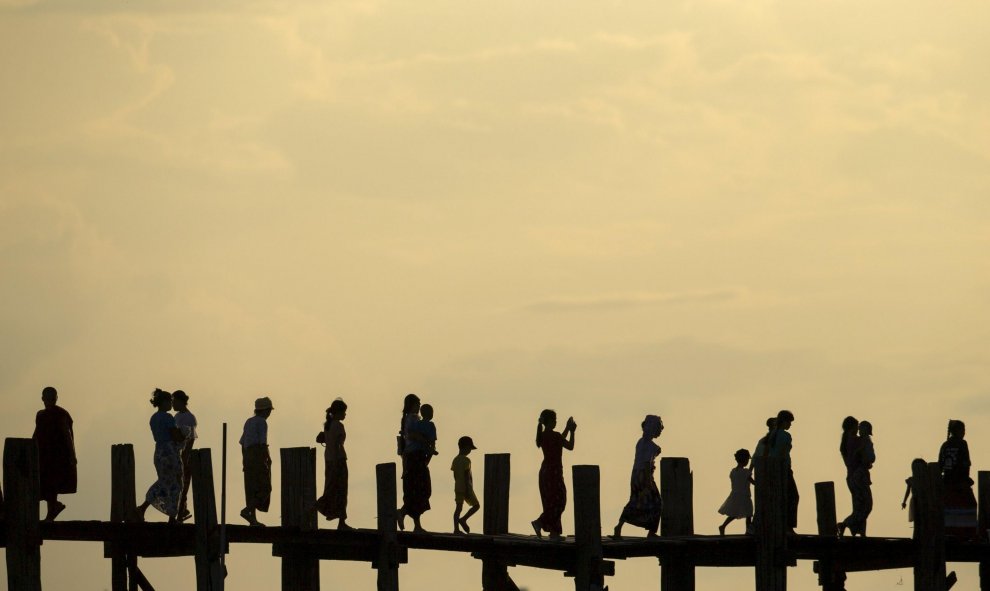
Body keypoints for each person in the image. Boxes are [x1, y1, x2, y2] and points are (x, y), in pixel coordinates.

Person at [136, 389, 184, 523]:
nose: (171, 404)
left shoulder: (153, 418)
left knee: (164, 481)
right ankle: (171, 517)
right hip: (169, 452)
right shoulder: (167, 417)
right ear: (163, 402)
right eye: (169, 401)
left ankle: (145, 508)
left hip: (159, 451)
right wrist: (183, 435)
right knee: (175, 483)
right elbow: (175, 436)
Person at [612, 414, 663, 538]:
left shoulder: (640, 442)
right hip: (644, 476)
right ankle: (652, 531)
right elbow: (647, 463)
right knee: (657, 502)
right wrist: (648, 482)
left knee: (635, 500)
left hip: (635, 475)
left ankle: (619, 526)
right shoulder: (651, 446)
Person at [33, 386, 77, 521]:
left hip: (57, 456)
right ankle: (53, 508)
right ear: (42, 399)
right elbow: (36, 434)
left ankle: (53, 509)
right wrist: (28, 449)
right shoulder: (41, 415)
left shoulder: (61, 414)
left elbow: (67, 435)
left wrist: (72, 455)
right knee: (44, 483)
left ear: (56, 398)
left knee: (52, 483)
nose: (50, 401)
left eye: (52, 398)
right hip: (44, 455)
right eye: (48, 398)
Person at [531, 409, 576, 540]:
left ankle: (554, 533)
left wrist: (567, 428)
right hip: (554, 472)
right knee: (560, 501)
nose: (556, 422)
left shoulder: (543, 436)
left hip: (545, 472)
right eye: (555, 420)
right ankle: (539, 522)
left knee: (550, 501)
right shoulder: (555, 436)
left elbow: (559, 441)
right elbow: (570, 446)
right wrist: (572, 431)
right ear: (550, 421)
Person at [316, 398, 351, 530]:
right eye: (344, 412)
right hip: (338, 460)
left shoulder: (328, 425)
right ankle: (340, 521)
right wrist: (337, 462)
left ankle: (337, 517)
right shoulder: (338, 425)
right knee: (341, 491)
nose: (345, 415)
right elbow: (337, 444)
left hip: (329, 461)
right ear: (338, 412)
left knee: (331, 488)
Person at [397, 394, 431, 531]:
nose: (419, 407)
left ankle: (416, 523)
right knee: (421, 489)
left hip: (411, 458)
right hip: (416, 457)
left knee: (414, 489)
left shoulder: (406, 418)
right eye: (418, 404)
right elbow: (411, 434)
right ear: (412, 405)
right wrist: (425, 440)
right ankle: (404, 512)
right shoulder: (413, 418)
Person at [239, 396, 274, 527]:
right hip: (257, 456)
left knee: (251, 489)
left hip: (247, 456)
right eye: (269, 410)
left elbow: (242, 443)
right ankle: (247, 510)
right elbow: (262, 444)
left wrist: (244, 461)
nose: (269, 413)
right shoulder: (262, 422)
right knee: (266, 488)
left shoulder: (249, 421)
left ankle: (252, 519)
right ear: (265, 410)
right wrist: (268, 459)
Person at [939, 419, 977, 538]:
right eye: (963, 430)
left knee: (948, 507)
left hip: (947, 482)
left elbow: (940, 465)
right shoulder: (962, 443)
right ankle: (967, 533)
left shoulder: (945, 445)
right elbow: (966, 463)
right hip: (960, 482)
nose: (964, 432)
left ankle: (949, 531)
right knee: (971, 504)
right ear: (958, 431)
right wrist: (966, 481)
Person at [838, 419, 875, 537]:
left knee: (859, 506)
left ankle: (860, 532)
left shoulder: (847, 441)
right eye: (857, 426)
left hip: (852, 477)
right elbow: (868, 458)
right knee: (867, 505)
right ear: (852, 427)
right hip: (859, 477)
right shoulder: (856, 440)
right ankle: (845, 524)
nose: (858, 429)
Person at [767, 409, 798, 531]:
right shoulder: (785, 436)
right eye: (789, 422)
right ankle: (789, 526)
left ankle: (779, 526)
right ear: (784, 421)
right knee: (793, 496)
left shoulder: (772, 435)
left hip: (772, 469)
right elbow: (782, 453)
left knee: (779, 498)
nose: (790, 425)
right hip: (783, 469)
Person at [172, 390, 197, 523]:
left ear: (181, 401)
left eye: (174, 401)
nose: (172, 403)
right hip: (176, 453)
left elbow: (190, 438)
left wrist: (185, 456)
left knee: (183, 483)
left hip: (183, 454)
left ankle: (181, 511)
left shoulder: (189, 417)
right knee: (178, 483)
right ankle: (182, 510)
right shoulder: (176, 416)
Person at [718, 449, 754, 535]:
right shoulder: (745, 472)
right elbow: (753, 482)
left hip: (735, 495)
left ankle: (723, 526)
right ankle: (748, 531)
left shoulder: (733, 472)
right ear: (744, 460)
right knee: (748, 514)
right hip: (744, 496)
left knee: (734, 513)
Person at [451, 435, 480, 534]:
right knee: (476, 506)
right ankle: (463, 519)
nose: (470, 451)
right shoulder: (466, 460)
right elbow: (467, 475)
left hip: (458, 487)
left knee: (458, 508)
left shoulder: (455, 460)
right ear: (465, 447)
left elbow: (455, 475)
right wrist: (468, 488)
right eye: (469, 448)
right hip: (466, 487)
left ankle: (456, 529)